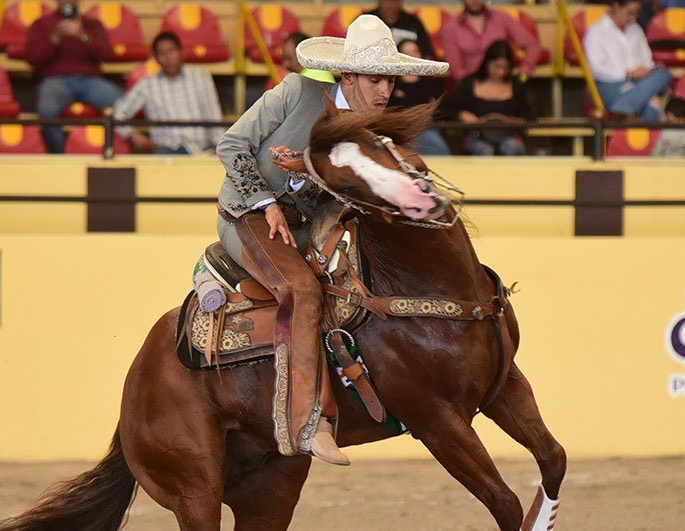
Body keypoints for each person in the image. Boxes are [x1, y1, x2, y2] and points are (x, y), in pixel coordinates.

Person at [215, 15, 447, 466]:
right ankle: (309, 420)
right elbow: (231, 145)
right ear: (349, 75)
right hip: (247, 215)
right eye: (377, 79)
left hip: (308, 227)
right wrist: (266, 203)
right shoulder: (296, 93)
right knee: (302, 290)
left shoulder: (369, 135)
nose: (385, 92)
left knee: (356, 285)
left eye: (391, 83)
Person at [24, 0, 122, 153]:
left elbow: (106, 54)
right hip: (55, 81)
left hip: (91, 81)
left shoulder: (93, 24)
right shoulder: (41, 24)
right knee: (47, 110)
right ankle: (59, 158)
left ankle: (112, 152)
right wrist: (55, 38)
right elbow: (32, 58)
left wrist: (83, 36)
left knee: (123, 104)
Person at [113, 32, 224, 154]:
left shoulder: (201, 77)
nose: (168, 57)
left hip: (201, 149)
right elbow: (118, 113)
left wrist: (219, 148)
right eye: (162, 54)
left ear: (181, 52)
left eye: (172, 51)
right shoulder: (146, 85)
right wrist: (132, 134)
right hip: (165, 151)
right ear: (155, 58)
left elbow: (213, 114)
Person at [584, 0, 672, 122]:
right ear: (616, 6)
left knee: (664, 74)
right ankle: (629, 110)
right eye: (630, 13)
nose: (633, 18)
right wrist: (628, 74)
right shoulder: (596, 31)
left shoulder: (636, 30)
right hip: (607, 85)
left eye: (637, 14)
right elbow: (597, 69)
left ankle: (622, 110)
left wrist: (646, 71)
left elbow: (647, 61)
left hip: (639, 83)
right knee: (652, 104)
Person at [450, 40, 535, 156]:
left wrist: (515, 122)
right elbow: (452, 109)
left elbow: (529, 115)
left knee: (512, 147)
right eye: (497, 67)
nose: (501, 72)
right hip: (477, 136)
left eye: (505, 68)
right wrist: (463, 115)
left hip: (508, 136)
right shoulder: (469, 83)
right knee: (484, 151)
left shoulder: (515, 85)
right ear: (487, 62)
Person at [440, 0, 542, 83]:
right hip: (471, 88)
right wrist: (472, 88)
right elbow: (456, 69)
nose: (474, 1)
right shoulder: (450, 27)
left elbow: (532, 45)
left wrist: (523, 75)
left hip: (504, 83)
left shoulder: (502, 18)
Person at [388, 39, 451, 155]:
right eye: (406, 53)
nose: (412, 56)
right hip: (398, 132)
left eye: (415, 52)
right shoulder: (390, 83)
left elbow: (442, 111)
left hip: (428, 129)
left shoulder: (432, 84)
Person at [365, 0, 435, 60]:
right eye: (386, 0)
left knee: (409, 48)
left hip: (407, 70)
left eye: (394, 1)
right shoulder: (365, 20)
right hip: (374, 67)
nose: (390, 5)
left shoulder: (413, 23)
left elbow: (427, 54)